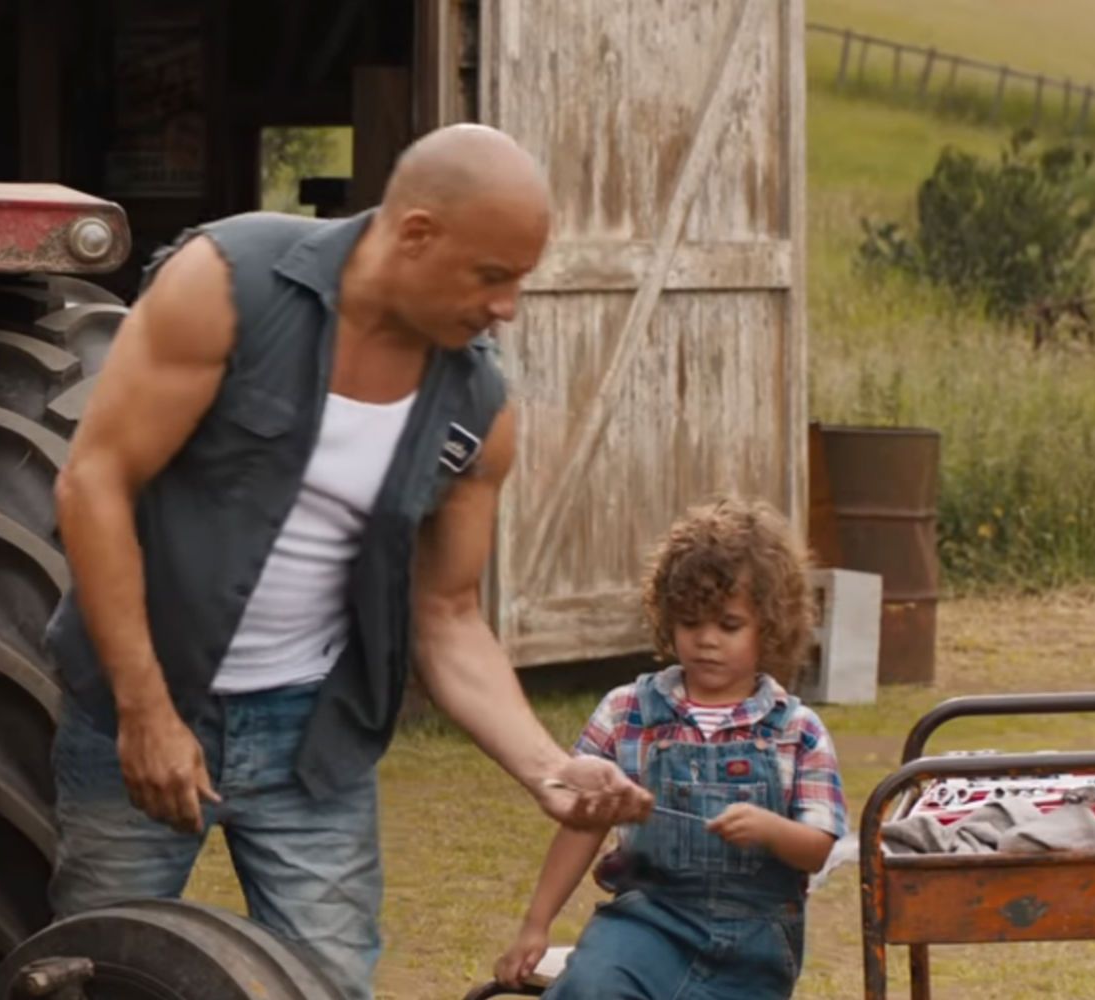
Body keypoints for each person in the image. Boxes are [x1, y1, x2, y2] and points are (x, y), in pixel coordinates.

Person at [44, 123, 655, 999]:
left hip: (312, 738)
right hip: (140, 708)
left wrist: (548, 767)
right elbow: (94, 483)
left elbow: (446, 615)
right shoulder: (229, 284)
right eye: (493, 276)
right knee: (98, 976)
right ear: (415, 234)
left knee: (326, 985)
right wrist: (144, 711)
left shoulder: (477, 403)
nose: (508, 308)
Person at [494, 497, 847, 999]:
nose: (706, 640)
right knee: (590, 988)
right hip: (644, 924)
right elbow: (583, 822)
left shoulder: (797, 730)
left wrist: (771, 830)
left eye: (728, 625)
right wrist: (536, 923)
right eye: (689, 622)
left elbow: (820, 848)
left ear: (769, 625)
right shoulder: (627, 712)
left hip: (753, 943)